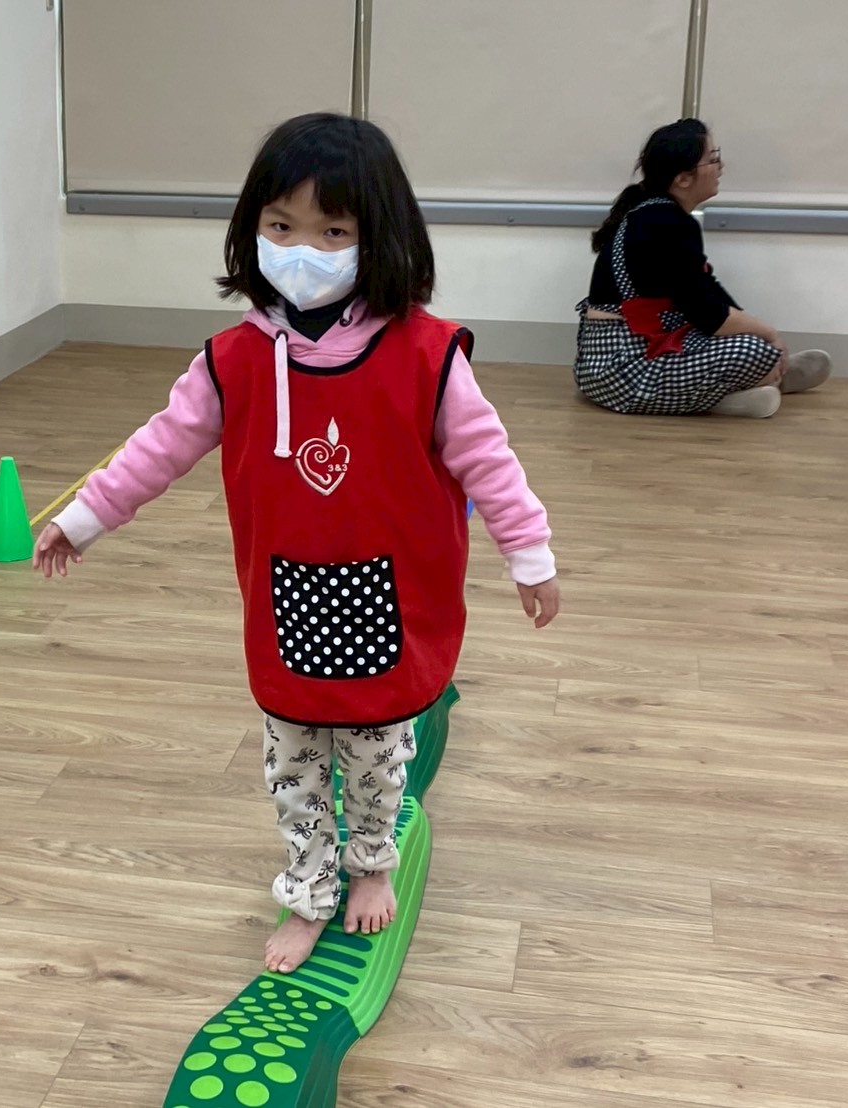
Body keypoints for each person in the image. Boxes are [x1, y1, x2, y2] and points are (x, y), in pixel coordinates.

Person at [33, 112, 559, 974]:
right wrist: (85, 515)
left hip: (391, 596)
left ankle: (372, 864)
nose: (301, 250)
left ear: (379, 238)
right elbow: (160, 445)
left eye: (331, 232)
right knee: (294, 764)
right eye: (280, 227)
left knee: (376, 756)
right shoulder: (233, 360)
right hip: (285, 600)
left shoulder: (427, 356)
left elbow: (488, 461)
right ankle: (307, 888)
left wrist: (528, 555)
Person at [576, 118, 831, 418]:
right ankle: (764, 378)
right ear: (684, 179)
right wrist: (770, 336)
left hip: (608, 369)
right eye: (712, 159)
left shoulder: (657, 214)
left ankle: (751, 386)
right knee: (755, 350)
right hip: (625, 374)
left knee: (749, 342)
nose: (720, 167)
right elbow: (708, 314)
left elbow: (708, 291)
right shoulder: (665, 223)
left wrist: (752, 330)